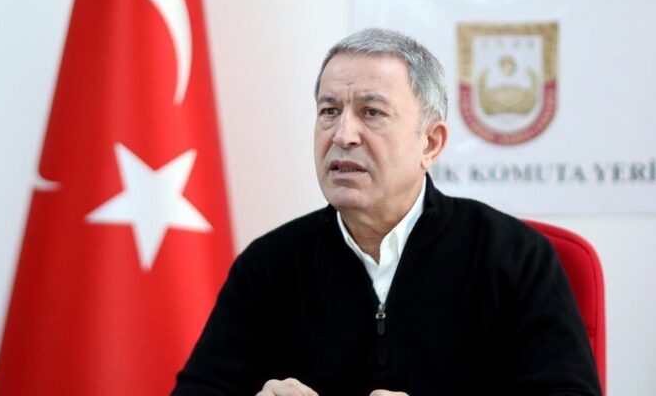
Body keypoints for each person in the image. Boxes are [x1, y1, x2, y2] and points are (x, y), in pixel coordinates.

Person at [171, 28, 602, 396]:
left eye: (371, 112)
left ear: (430, 143)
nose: (343, 135)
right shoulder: (270, 265)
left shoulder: (514, 257)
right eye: (329, 111)